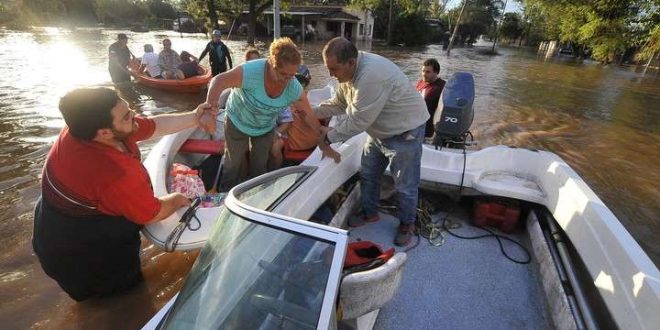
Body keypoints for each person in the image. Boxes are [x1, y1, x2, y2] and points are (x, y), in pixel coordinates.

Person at [32, 87, 216, 301]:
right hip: (78, 247)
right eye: (128, 116)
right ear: (105, 133)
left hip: (59, 213)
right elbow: (151, 214)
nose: (134, 116)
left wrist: (195, 117)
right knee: (122, 296)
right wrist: (177, 199)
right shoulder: (114, 173)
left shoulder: (88, 127)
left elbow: (153, 125)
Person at [315, 37, 428, 247]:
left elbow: (357, 122)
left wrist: (327, 138)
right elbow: (339, 103)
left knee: (405, 184)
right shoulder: (347, 75)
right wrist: (311, 111)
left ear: (350, 62)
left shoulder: (370, 76)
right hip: (379, 131)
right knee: (368, 173)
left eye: (334, 69)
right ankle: (370, 213)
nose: (331, 75)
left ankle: (407, 224)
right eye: (328, 69)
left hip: (405, 132)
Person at [205, 37, 337, 191]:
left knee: (259, 165)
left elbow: (307, 115)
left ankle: (255, 194)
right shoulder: (250, 71)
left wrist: (322, 138)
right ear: (270, 63)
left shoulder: (293, 87)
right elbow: (219, 80)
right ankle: (225, 192)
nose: (287, 80)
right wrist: (209, 112)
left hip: (264, 128)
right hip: (237, 121)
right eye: (283, 74)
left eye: (291, 75)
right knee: (233, 162)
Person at [268, 65, 321, 170]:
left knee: (273, 146)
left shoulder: (302, 101)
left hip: (301, 141)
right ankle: (273, 173)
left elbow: (287, 122)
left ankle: (273, 172)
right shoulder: (287, 99)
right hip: (298, 139)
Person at [416, 58, 446, 138]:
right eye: (423, 71)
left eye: (427, 72)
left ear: (436, 72)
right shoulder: (421, 82)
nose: (424, 74)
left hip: (427, 129)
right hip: (414, 124)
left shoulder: (442, 87)